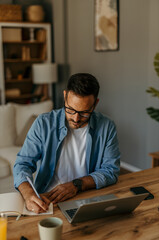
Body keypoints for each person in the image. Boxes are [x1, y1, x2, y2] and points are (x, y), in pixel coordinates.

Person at [13, 73, 120, 214]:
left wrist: (76, 185)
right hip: (48, 200)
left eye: (84, 113)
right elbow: (23, 164)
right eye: (70, 109)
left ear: (95, 104)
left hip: (86, 196)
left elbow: (111, 171)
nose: (76, 118)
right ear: (65, 96)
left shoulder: (107, 126)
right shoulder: (43, 123)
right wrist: (28, 194)